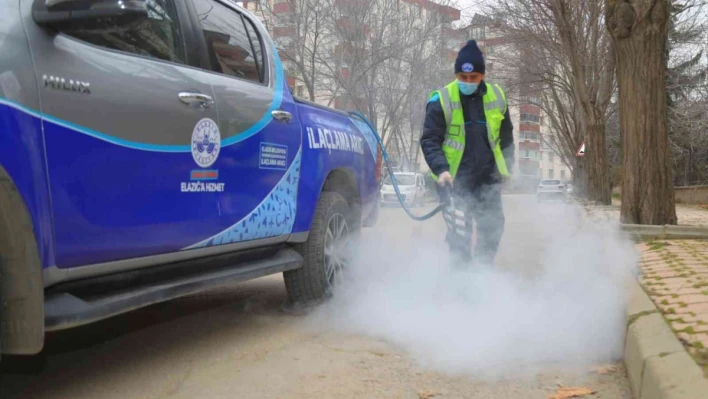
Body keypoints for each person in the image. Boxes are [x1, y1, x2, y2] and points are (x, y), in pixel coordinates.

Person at [420, 40, 515, 267]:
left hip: (487, 178)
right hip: (453, 180)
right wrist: (441, 170)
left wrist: (507, 167)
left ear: (482, 75)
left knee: (492, 228)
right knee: (460, 232)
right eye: (463, 78)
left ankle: (482, 273)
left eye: (474, 78)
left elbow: (506, 137)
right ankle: (461, 284)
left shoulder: (498, 96)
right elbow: (430, 139)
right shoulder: (442, 99)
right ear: (457, 75)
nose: (468, 82)